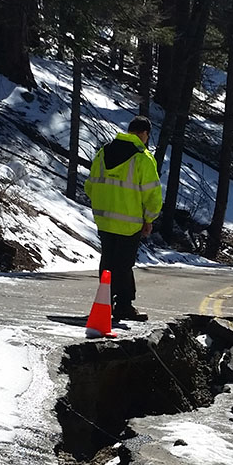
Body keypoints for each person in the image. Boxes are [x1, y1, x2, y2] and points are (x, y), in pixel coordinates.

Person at [84, 116, 162, 322]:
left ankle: (106, 301)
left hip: (104, 219)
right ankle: (124, 306)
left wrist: (105, 203)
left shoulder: (103, 152)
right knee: (123, 264)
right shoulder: (142, 158)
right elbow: (152, 194)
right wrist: (149, 218)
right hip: (129, 222)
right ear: (144, 134)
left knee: (108, 261)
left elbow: (90, 186)